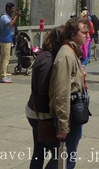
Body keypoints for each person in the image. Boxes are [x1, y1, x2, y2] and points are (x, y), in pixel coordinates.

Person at [49, 18, 89, 169]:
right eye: (84, 32)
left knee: (66, 158)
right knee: (65, 160)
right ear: (73, 34)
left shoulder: (73, 53)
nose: (87, 35)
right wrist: (63, 124)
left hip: (74, 113)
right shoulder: (66, 55)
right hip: (69, 115)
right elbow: (61, 92)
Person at [26, 26, 65, 169]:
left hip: (35, 111)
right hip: (41, 114)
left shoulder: (45, 55)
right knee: (60, 154)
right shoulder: (48, 59)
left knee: (39, 150)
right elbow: (43, 88)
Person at [0, 2, 20, 83]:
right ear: (7, 9)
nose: (13, 11)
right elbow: (10, 24)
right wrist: (16, 16)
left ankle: (2, 74)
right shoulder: (4, 17)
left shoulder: (8, 17)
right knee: (5, 59)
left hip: (8, 39)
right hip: (5, 40)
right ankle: (3, 76)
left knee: (4, 58)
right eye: (12, 9)